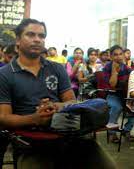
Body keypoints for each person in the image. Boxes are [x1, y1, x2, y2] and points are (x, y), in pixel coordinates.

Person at [0, 18, 116, 169]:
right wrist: (35, 119)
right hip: (31, 144)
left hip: (71, 136)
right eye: (30, 34)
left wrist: (57, 106)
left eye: (41, 36)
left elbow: (70, 101)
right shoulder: (5, 74)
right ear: (18, 40)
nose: (37, 40)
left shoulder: (57, 69)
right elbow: (3, 118)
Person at [103, 45, 134, 143]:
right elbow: (112, 84)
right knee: (116, 107)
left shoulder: (126, 68)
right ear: (111, 56)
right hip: (113, 94)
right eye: (115, 55)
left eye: (120, 54)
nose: (119, 57)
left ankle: (126, 130)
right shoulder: (107, 67)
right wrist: (114, 71)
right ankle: (112, 132)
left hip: (125, 95)